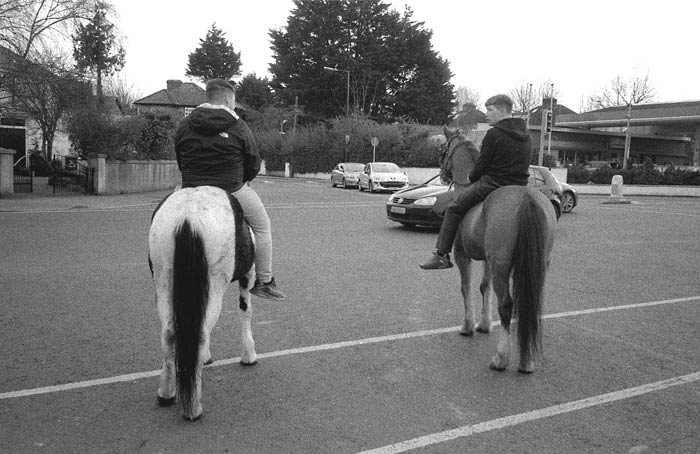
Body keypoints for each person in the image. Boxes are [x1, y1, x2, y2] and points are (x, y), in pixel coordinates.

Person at [174, 78, 286, 300]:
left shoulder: (185, 124)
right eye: (234, 100)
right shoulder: (238, 125)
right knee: (263, 227)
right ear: (227, 97)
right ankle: (264, 281)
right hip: (231, 188)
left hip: (191, 187)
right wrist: (242, 180)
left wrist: (191, 179)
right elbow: (253, 161)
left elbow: (179, 157)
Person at [420, 94, 532, 270]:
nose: (487, 114)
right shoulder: (527, 135)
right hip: (520, 187)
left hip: (494, 183)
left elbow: (482, 164)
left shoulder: (494, 133)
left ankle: (441, 255)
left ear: (503, 110)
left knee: (453, 207)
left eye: (490, 110)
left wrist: (471, 177)